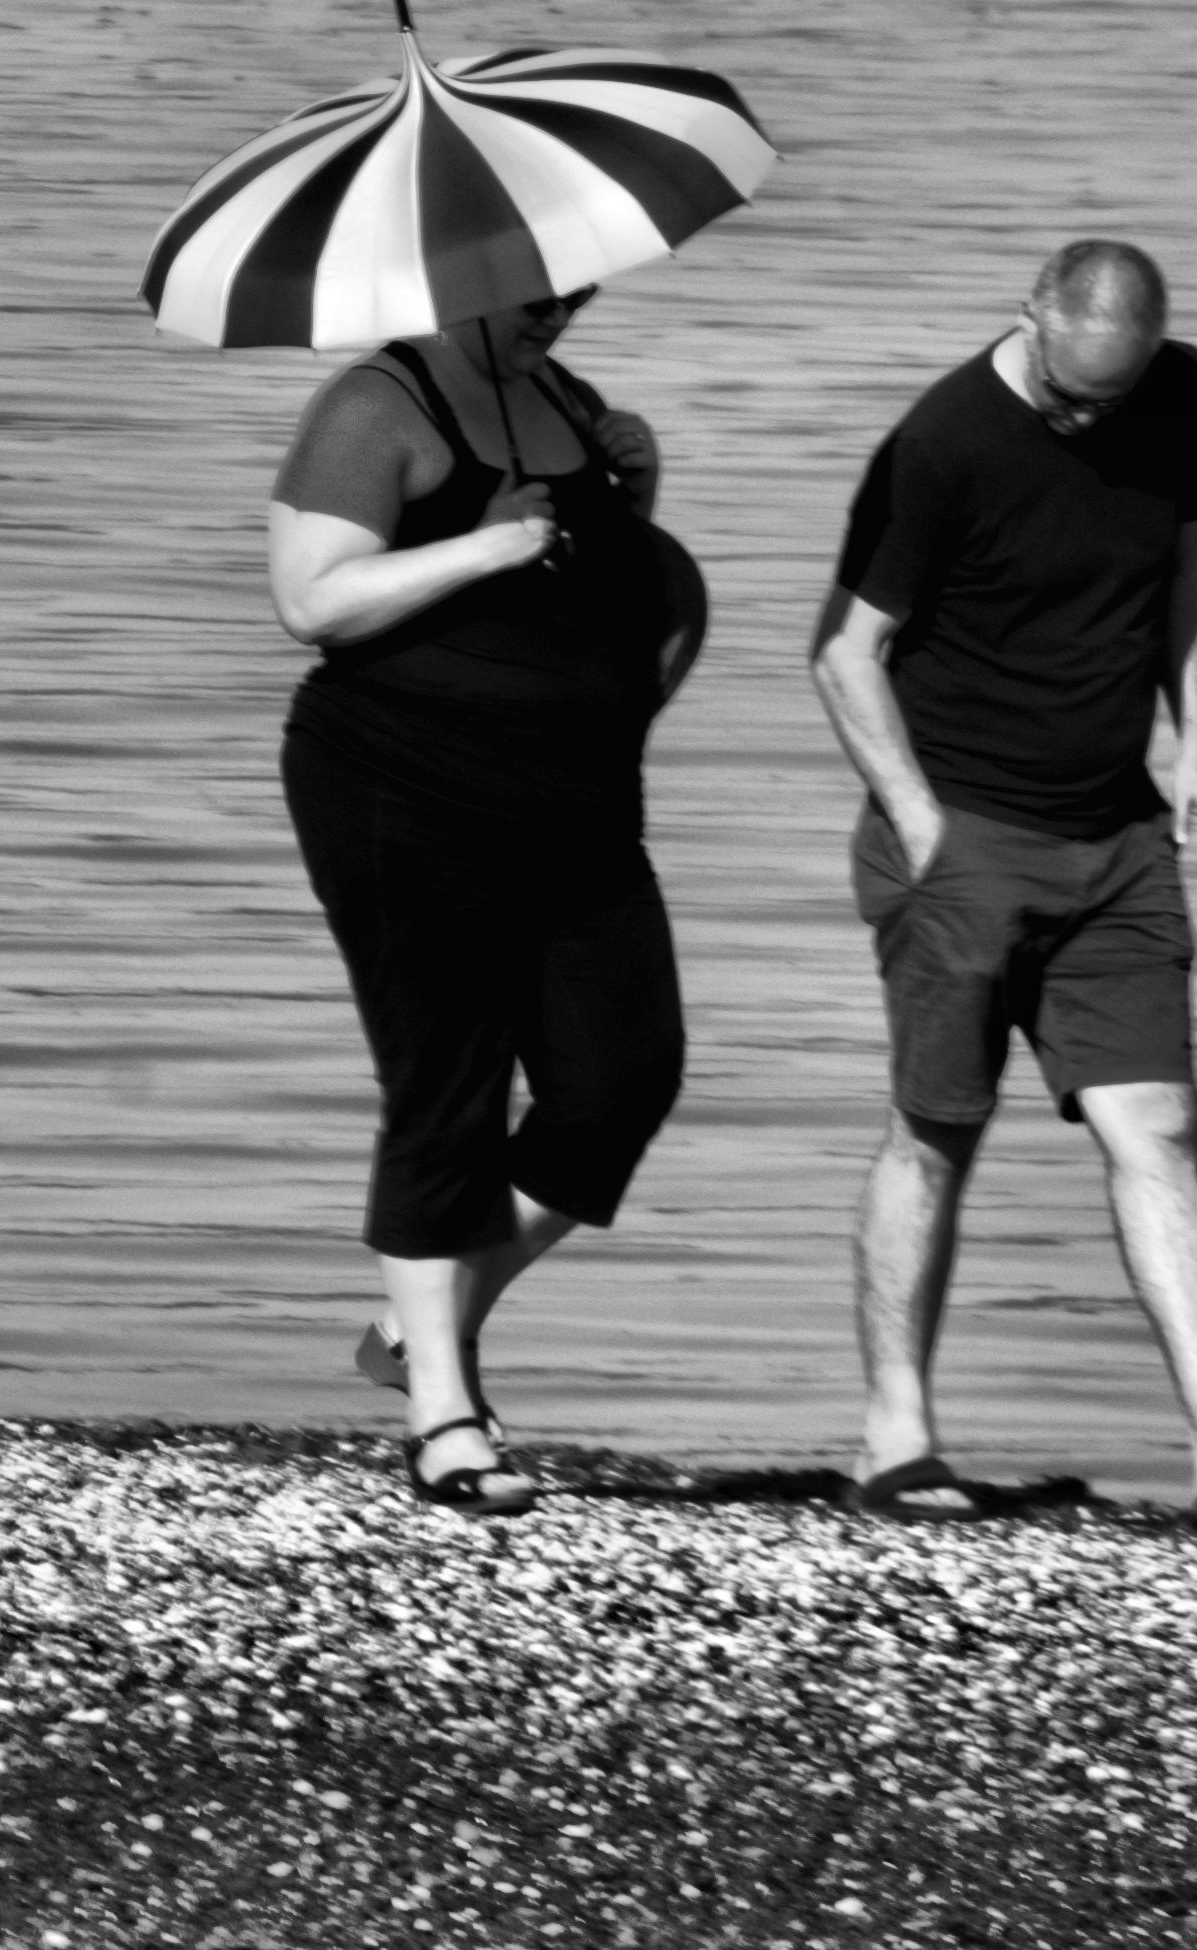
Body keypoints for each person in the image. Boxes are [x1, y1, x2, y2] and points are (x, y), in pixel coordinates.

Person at [810, 239, 1197, 1535]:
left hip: (1117, 837)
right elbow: (847, 655)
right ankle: (894, 1437)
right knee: (936, 1131)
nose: (1090, 419)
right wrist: (920, 825)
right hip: (963, 839)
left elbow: (1183, 568)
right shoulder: (942, 443)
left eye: (1110, 399)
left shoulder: (1175, 392)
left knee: (1163, 1128)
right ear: (1030, 317)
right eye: (1072, 396)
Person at [269, 285, 705, 1515]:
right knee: (443, 1085)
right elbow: (309, 598)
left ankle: (426, 1320)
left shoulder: (565, 404)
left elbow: (592, 593)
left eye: (576, 285)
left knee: (622, 1079)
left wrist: (633, 491)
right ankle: (444, 1420)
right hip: (397, 788)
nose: (560, 310)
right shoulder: (374, 407)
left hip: (574, 805)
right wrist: (484, 541)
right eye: (533, 293)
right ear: (456, 274)